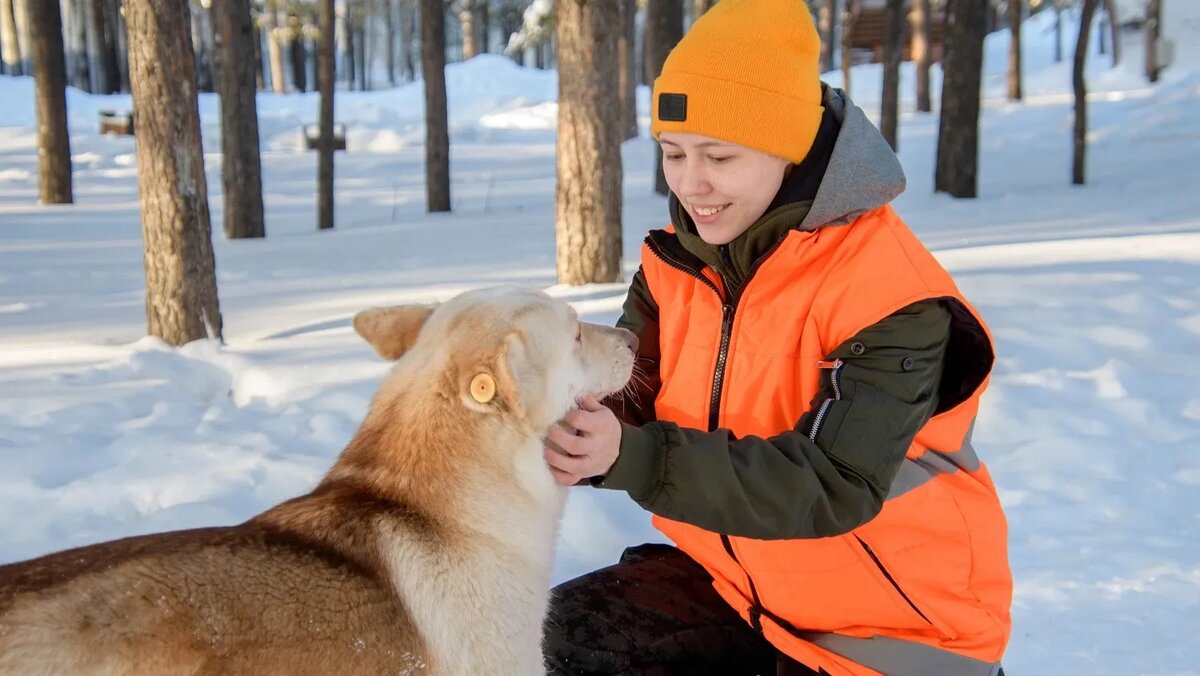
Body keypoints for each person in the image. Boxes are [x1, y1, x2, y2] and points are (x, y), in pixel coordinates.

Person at [541, 0, 1012, 675]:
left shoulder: (891, 293)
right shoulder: (677, 264)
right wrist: (539, 416)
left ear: (787, 149)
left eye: (719, 156)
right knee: (539, 644)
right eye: (673, 154)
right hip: (737, 591)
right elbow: (624, 398)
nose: (690, 184)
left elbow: (833, 482)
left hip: (889, 629)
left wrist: (630, 457)